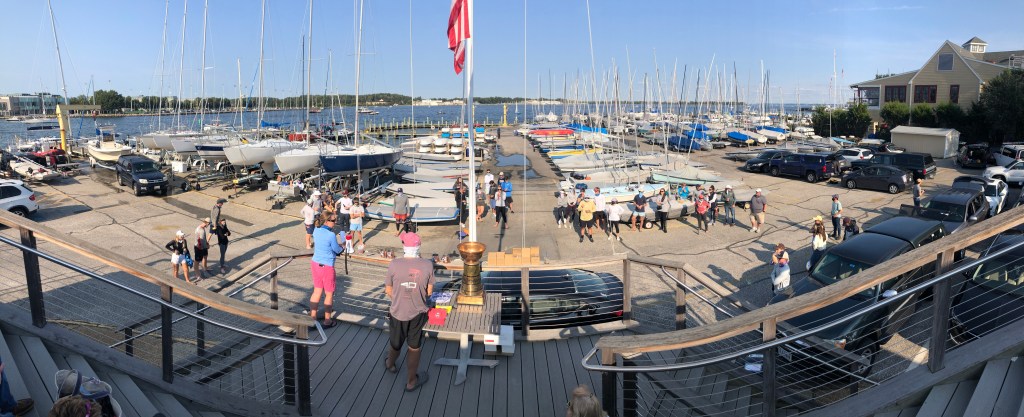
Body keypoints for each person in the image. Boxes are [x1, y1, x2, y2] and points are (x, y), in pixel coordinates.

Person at [383, 238, 434, 392]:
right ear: (419, 246)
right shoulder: (427, 264)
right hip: (418, 313)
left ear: (404, 247)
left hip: (398, 311)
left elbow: (388, 290)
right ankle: (411, 381)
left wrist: (399, 298)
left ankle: (390, 364)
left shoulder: (394, 264)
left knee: (395, 343)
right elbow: (429, 292)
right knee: (414, 347)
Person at [309, 213, 343, 327]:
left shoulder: (316, 231)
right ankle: (327, 320)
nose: (335, 222)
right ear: (327, 221)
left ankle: (312, 318)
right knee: (329, 294)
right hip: (327, 266)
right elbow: (337, 250)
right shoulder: (331, 235)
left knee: (317, 291)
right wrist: (343, 246)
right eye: (333, 220)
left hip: (315, 263)